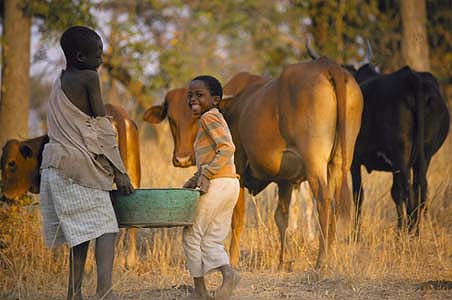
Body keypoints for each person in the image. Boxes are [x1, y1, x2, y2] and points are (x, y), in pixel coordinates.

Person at [39, 26, 134, 300]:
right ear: (80, 56)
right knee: (105, 228)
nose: (102, 60)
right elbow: (102, 129)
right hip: (77, 167)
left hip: (54, 167)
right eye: (98, 55)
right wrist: (120, 172)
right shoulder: (90, 77)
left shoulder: (61, 79)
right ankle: (105, 292)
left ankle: (74, 293)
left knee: (80, 231)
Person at [182, 75, 241, 300]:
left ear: (215, 99)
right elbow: (217, 155)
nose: (192, 99)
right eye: (190, 95)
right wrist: (193, 180)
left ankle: (199, 291)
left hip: (217, 183)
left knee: (191, 233)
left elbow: (227, 148)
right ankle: (229, 275)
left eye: (199, 95)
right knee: (212, 238)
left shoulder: (208, 117)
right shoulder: (214, 118)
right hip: (229, 183)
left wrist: (205, 174)